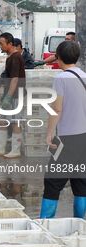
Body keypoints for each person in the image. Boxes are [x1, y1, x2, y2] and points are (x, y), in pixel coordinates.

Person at [40, 41, 86, 219]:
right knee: (81, 183)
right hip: (84, 137)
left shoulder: (61, 78)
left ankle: (45, 223)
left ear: (58, 57)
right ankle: (80, 225)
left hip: (68, 138)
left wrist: (49, 134)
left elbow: (57, 109)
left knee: (52, 182)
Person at [0, 32, 26, 158]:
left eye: (1, 44)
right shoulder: (10, 57)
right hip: (8, 94)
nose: (0, 46)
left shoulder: (15, 57)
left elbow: (14, 79)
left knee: (15, 122)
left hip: (15, 96)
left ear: (10, 43)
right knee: (1, 120)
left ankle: (15, 150)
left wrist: (8, 97)